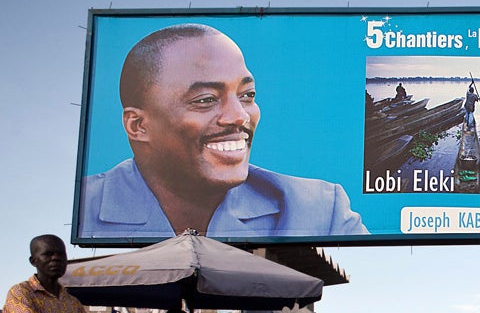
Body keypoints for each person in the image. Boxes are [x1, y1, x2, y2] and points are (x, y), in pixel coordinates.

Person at [78, 23, 367, 240]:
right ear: (138, 126)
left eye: (247, 95)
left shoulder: (318, 211)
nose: (239, 117)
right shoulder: (86, 208)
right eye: (205, 100)